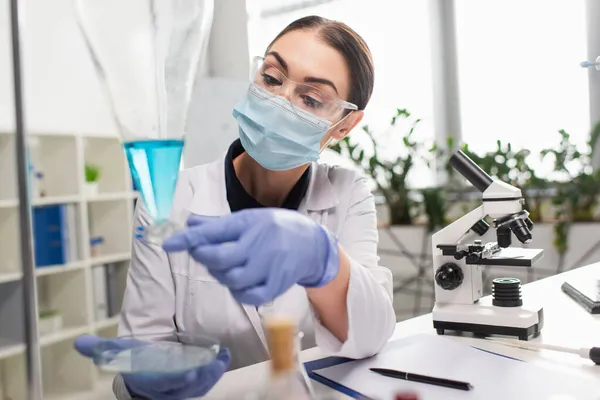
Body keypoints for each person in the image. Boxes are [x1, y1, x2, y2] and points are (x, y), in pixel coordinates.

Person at [74, 15, 396, 399]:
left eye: (310, 99)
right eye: (273, 78)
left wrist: (322, 259)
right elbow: (146, 347)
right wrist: (144, 380)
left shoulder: (347, 192)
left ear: (344, 125)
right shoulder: (171, 199)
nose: (279, 102)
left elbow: (372, 332)